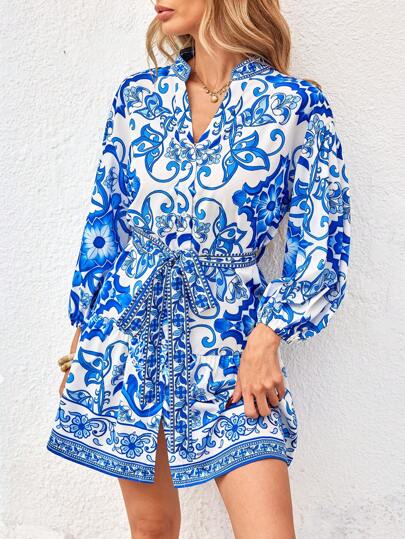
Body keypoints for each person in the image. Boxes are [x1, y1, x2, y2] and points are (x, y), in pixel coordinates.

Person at [46, 1, 351, 537]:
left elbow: (322, 233)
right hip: (127, 335)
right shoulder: (137, 98)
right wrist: (83, 333)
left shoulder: (293, 105)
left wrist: (268, 338)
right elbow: (105, 221)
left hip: (233, 343)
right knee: (152, 528)